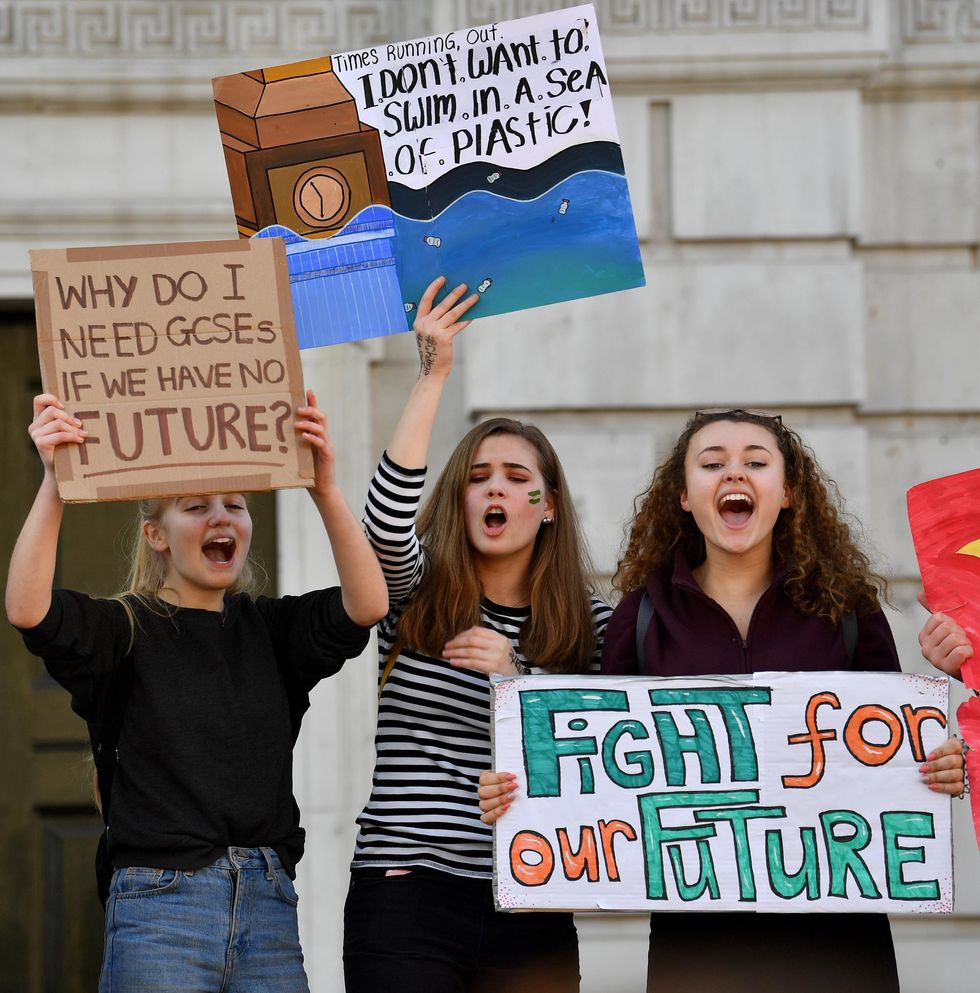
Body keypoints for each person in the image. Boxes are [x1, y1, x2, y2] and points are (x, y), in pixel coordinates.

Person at [5, 390, 388, 993]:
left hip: (267, 906)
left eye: (236, 504)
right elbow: (29, 608)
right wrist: (56, 481)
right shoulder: (122, 630)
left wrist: (325, 489)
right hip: (160, 909)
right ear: (157, 535)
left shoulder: (270, 631)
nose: (221, 517)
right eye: (195, 506)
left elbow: (367, 603)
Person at [593, 407, 964, 993]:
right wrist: (525, 794)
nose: (734, 474)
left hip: (838, 944)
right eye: (712, 463)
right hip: (695, 947)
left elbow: (897, 756)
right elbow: (594, 775)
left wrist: (943, 764)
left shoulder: (848, 609)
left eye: (756, 462)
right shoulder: (638, 618)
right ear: (684, 496)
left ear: (788, 492)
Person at [343, 277, 611, 993]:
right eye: (478, 476)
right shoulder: (417, 587)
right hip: (408, 887)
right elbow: (381, 533)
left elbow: (620, 743)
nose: (495, 489)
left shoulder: (591, 620)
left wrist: (518, 677)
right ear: (458, 496)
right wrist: (433, 376)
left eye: (517, 477)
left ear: (546, 505)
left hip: (533, 894)